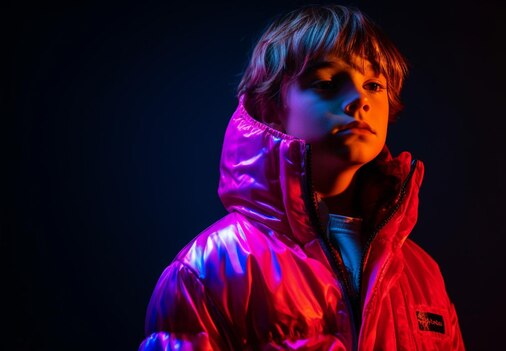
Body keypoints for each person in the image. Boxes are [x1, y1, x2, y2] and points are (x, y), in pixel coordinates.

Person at [139, 4, 465, 350]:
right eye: (326, 83)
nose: (359, 100)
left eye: (374, 84)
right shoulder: (206, 271)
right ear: (271, 108)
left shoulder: (422, 274)